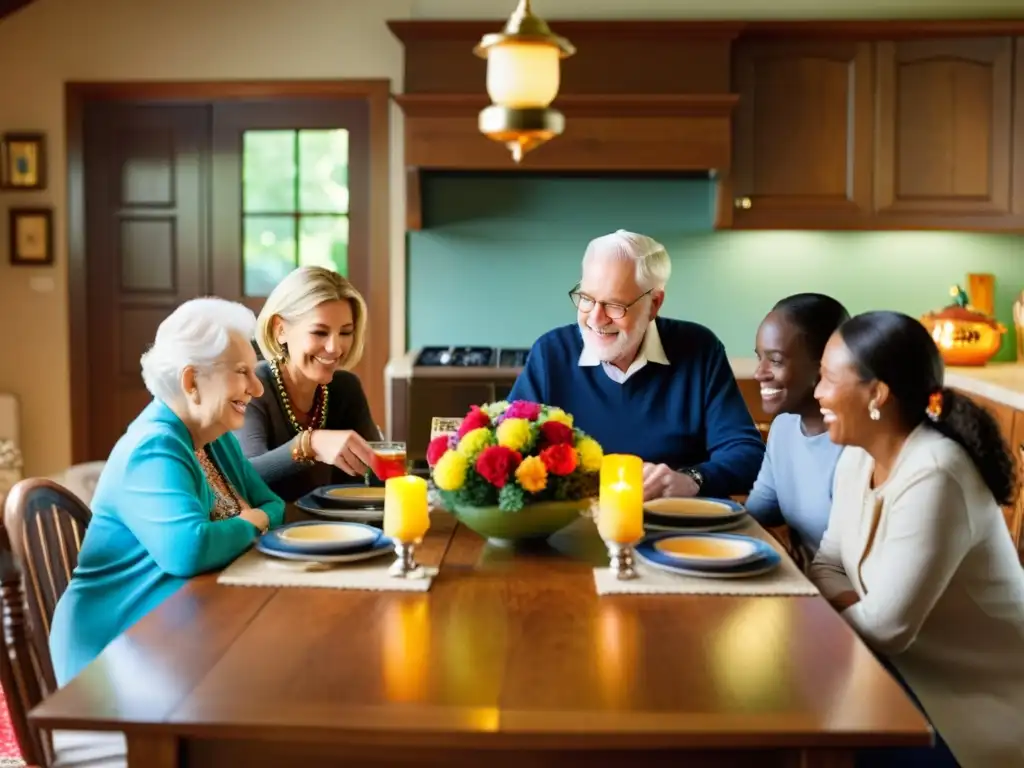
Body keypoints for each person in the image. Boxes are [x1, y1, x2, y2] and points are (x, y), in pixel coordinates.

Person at [809, 310, 1024, 768]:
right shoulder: (856, 457)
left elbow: (887, 629)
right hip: (895, 679)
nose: (817, 393)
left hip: (973, 710)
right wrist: (856, 606)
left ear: (876, 394)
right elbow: (825, 562)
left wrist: (835, 612)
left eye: (828, 378)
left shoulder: (936, 474)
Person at [49, 298, 285, 686]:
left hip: (176, 636)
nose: (257, 387)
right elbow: (188, 550)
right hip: (113, 660)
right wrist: (252, 522)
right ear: (191, 381)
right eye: (242, 372)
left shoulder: (214, 438)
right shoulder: (154, 446)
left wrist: (252, 519)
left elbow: (272, 505)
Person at [507, 230, 765, 500]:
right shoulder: (551, 353)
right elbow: (506, 448)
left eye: (615, 305)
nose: (595, 318)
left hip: (677, 526)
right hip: (572, 522)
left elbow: (746, 454)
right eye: (587, 298)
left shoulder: (700, 349)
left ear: (654, 304)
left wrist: (691, 479)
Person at [235, 266, 380, 502]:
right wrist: (309, 445)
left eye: (345, 332)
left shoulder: (346, 388)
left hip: (336, 533)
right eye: (320, 332)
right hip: (266, 536)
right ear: (280, 330)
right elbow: (242, 479)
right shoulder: (252, 386)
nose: (335, 347)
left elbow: (373, 476)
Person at [744, 293, 849, 559]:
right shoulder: (784, 428)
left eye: (776, 360)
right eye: (760, 358)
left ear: (823, 367)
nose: (759, 373)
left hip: (847, 595)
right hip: (808, 583)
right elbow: (756, 515)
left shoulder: (858, 443)